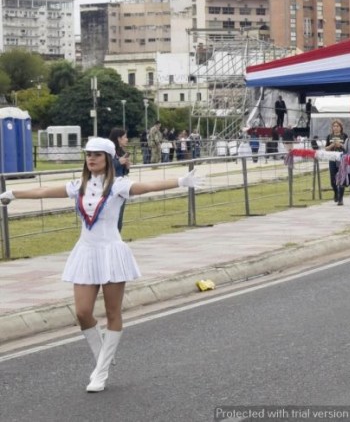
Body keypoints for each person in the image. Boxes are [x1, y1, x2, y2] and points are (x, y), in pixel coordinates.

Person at [0, 137, 203, 392]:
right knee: (83, 312)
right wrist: (14, 193)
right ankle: (102, 358)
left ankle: (101, 371)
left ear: (107, 157)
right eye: (88, 154)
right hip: (85, 252)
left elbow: (147, 186)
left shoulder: (118, 185)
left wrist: (180, 181)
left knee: (112, 313)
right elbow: (43, 191)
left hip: (111, 253)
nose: (91, 158)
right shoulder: (78, 186)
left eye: (96, 154)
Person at [108, 128, 131, 231]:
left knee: (119, 217)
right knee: (111, 217)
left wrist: (127, 166)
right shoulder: (109, 152)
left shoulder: (121, 151)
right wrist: (118, 162)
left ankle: (117, 239)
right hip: (110, 187)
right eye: (125, 137)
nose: (127, 139)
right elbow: (104, 167)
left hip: (121, 186)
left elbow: (124, 172)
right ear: (118, 138)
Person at [325, 120, 348, 205]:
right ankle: (336, 192)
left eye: (337, 126)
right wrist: (332, 145)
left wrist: (340, 145)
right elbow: (326, 148)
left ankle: (340, 198)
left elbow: (347, 147)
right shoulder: (329, 136)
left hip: (342, 159)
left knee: (341, 178)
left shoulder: (344, 136)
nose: (336, 128)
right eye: (334, 126)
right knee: (333, 179)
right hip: (332, 159)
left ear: (341, 127)